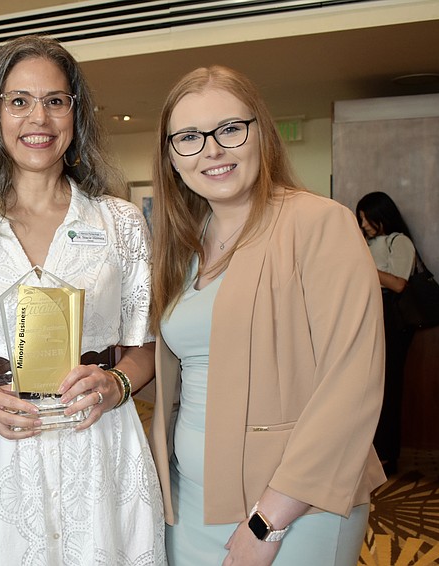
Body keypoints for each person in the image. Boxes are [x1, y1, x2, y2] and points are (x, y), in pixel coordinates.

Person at [0, 35, 166, 565]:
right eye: (19, 101)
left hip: (98, 440)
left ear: (76, 113)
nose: (39, 118)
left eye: (55, 100)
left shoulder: (119, 223)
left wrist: (117, 384)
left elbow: (145, 345)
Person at [147, 65, 386, 566]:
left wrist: (268, 520)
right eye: (189, 137)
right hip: (189, 502)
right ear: (171, 156)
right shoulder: (183, 245)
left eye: (230, 129)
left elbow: (352, 383)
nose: (212, 150)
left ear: (261, 133)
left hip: (293, 509)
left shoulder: (319, 223)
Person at [356, 191, 417, 476]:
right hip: (370, 315)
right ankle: (371, 454)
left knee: (389, 386)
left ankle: (387, 455)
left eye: (367, 218)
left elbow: (399, 284)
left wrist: (364, 264)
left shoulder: (398, 241)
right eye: (361, 219)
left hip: (392, 318)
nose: (364, 225)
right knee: (368, 386)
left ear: (382, 216)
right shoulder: (366, 244)